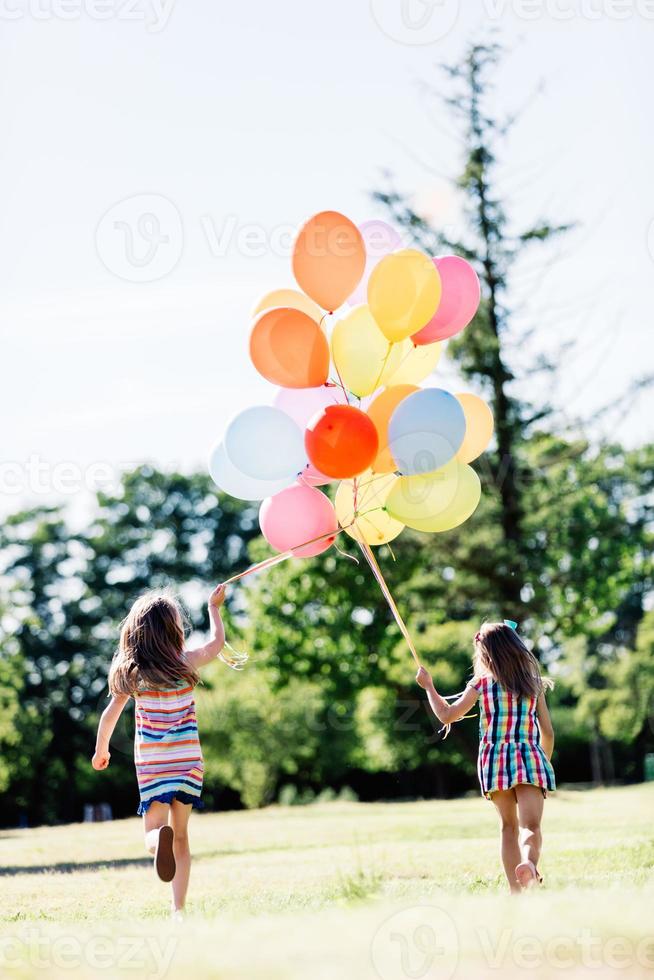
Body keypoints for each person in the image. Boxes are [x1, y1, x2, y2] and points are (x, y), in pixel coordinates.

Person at [92, 584, 230, 916]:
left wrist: (101, 750)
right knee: (182, 838)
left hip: (154, 764)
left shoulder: (133, 673)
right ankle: (178, 910)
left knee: (153, 831)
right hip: (187, 761)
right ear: (174, 631)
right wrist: (214, 608)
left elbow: (110, 713)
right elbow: (217, 643)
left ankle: (157, 841)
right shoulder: (186, 663)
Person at [416, 621, 555, 893]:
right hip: (529, 757)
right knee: (532, 826)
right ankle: (529, 863)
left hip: (494, 762)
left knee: (507, 828)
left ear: (484, 654)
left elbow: (446, 715)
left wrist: (429, 687)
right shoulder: (533, 684)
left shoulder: (480, 684)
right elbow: (547, 732)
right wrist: (544, 762)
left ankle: (516, 892)